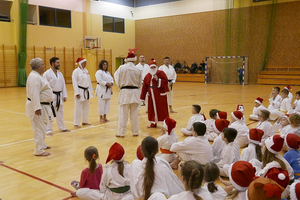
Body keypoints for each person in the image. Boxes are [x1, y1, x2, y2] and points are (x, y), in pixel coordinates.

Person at [26, 58, 53, 156]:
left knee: (42, 126)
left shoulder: (38, 75)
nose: (44, 65)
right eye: (42, 64)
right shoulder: (34, 77)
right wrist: (36, 108)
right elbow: (34, 94)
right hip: (37, 106)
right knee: (38, 127)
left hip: (42, 105)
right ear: (38, 67)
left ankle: (42, 144)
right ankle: (39, 150)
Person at [114, 52, 142, 137]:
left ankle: (121, 133)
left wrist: (121, 87)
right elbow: (140, 83)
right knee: (134, 114)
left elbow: (117, 78)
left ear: (126, 60)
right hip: (135, 92)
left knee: (123, 114)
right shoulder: (138, 69)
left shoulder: (121, 68)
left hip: (125, 92)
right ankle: (135, 132)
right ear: (134, 60)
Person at [43, 57, 69, 135]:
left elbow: (63, 85)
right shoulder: (47, 74)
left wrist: (64, 95)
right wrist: (47, 97)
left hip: (59, 95)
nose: (59, 64)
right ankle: (49, 130)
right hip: (51, 95)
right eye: (57, 62)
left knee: (60, 112)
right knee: (50, 113)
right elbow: (44, 86)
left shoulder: (60, 74)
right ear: (53, 63)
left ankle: (62, 128)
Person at [140, 58, 169, 128]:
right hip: (151, 95)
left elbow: (166, 82)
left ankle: (165, 123)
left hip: (160, 95)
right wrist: (142, 97)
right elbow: (144, 87)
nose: (153, 68)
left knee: (162, 109)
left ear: (156, 67)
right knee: (151, 109)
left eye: (154, 67)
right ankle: (153, 123)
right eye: (151, 67)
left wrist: (158, 80)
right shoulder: (147, 76)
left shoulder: (161, 73)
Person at [72, 57, 93, 128]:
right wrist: (77, 93)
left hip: (86, 91)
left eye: (85, 63)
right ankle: (76, 123)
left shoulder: (86, 71)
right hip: (80, 91)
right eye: (84, 63)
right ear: (80, 63)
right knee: (78, 108)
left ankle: (85, 121)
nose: (85, 64)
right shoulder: (76, 71)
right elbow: (74, 82)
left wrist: (90, 91)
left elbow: (89, 81)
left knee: (86, 107)